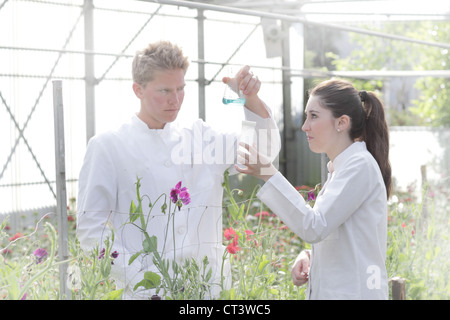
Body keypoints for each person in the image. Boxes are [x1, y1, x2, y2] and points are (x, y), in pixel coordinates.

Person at [76, 40, 280, 299]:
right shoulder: (108, 146)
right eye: (164, 90)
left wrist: (251, 100)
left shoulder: (201, 137)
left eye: (181, 89)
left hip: (208, 289)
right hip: (147, 293)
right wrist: (142, 279)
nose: (175, 100)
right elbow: (91, 228)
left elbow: (263, 153)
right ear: (138, 90)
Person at [236, 78, 392, 299]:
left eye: (314, 116)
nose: (304, 126)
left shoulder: (359, 166)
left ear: (342, 122)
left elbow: (314, 226)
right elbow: (341, 235)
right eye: (306, 115)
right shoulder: (342, 168)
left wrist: (268, 173)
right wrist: (309, 255)